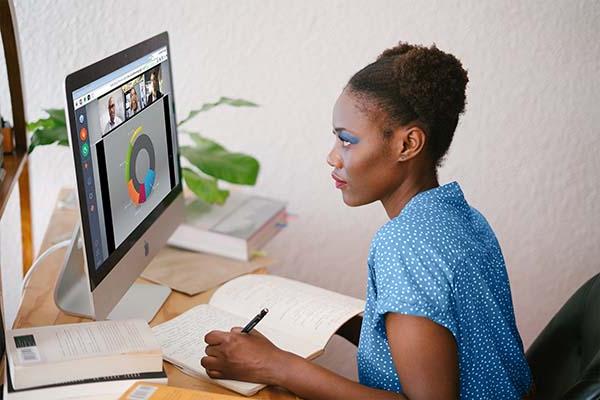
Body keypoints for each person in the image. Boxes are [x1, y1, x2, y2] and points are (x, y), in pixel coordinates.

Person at [201, 42, 534, 399]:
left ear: (407, 145)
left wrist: (276, 365)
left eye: (347, 141)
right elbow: (450, 342)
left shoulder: (403, 244)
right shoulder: (464, 217)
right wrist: (349, 325)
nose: (332, 157)